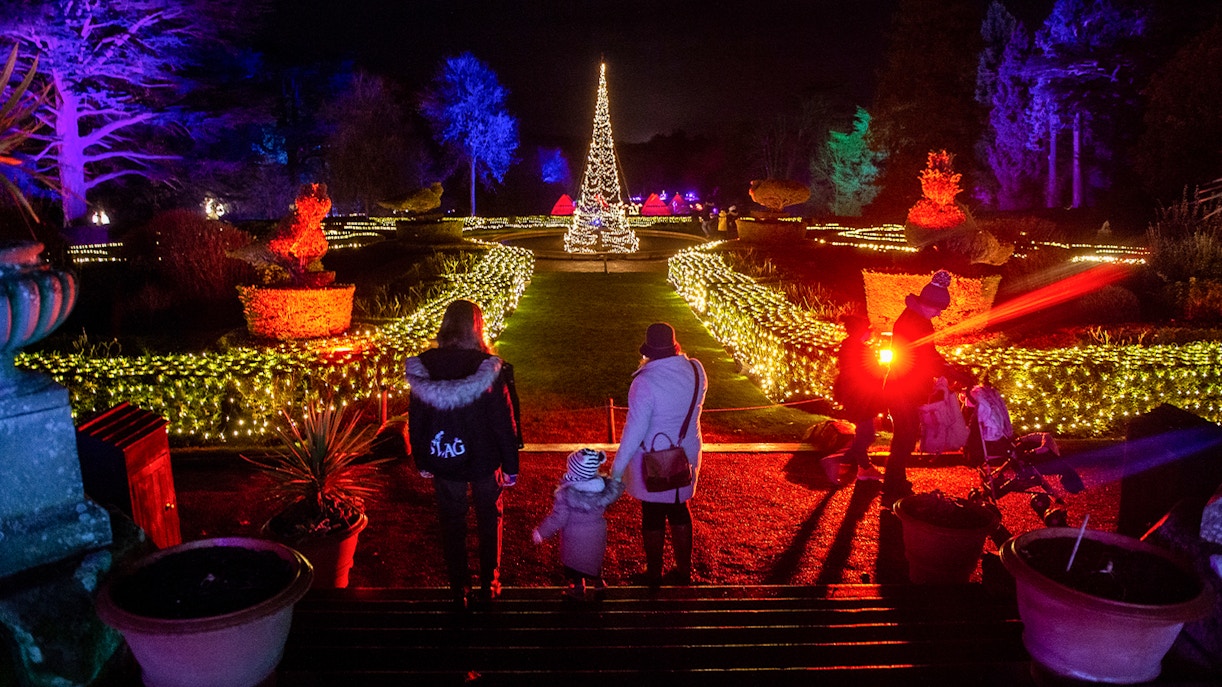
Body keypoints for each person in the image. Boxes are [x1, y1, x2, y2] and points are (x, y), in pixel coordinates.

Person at [406, 299, 522, 609]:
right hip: (485, 458)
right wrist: (511, 465)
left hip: (444, 455)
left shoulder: (424, 367)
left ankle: (460, 589)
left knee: (451, 521)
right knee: (489, 517)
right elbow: (503, 421)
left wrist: (421, 459)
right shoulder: (486, 367)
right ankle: (490, 583)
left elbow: (416, 418)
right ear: (477, 327)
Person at [611, 322, 707, 586]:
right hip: (685, 453)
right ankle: (683, 570)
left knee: (652, 515)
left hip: (654, 459)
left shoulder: (644, 382)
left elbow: (634, 431)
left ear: (649, 351)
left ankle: (654, 572)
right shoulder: (696, 370)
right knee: (680, 510)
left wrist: (617, 470)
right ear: (675, 345)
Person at [881, 270, 973, 505]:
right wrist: (952, 372)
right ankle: (892, 487)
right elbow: (924, 358)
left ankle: (895, 482)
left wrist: (946, 366)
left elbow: (926, 354)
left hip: (901, 387)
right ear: (928, 302)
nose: (939, 313)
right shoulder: (917, 323)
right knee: (905, 437)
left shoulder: (915, 317)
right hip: (903, 389)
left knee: (905, 436)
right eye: (938, 308)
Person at [532, 448, 624, 601]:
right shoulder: (601, 489)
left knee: (575, 563)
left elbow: (558, 518)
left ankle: (578, 588)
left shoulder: (567, 493)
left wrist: (541, 532)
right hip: (596, 532)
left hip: (574, 535)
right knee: (592, 559)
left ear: (574, 470)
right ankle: (599, 583)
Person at [834, 313, 885, 481]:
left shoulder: (847, 348)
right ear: (860, 331)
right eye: (867, 329)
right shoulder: (861, 350)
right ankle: (840, 461)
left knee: (863, 433)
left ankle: (864, 468)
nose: (870, 332)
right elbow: (875, 373)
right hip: (861, 398)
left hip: (854, 396)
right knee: (867, 435)